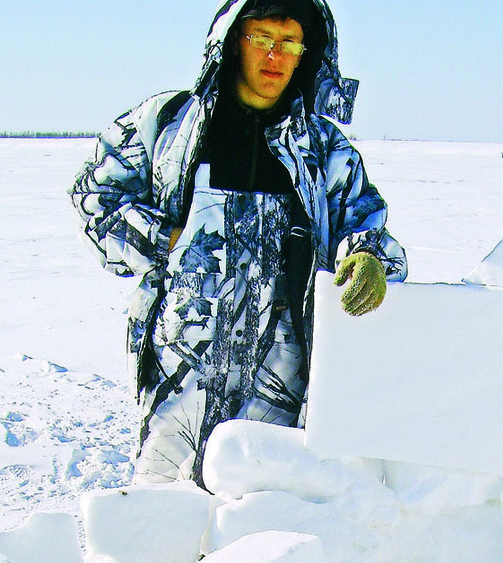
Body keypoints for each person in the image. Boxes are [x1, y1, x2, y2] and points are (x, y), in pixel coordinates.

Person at [70, 0, 407, 486]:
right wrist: (166, 239)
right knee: (165, 505)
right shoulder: (168, 124)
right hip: (181, 364)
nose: (275, 56)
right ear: (232, 42)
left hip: (282, 373)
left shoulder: (323, 147)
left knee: (264, 503)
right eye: (262, 39)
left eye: (290, 44)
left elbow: (362, 218)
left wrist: (367, 255)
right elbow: (94, 197)